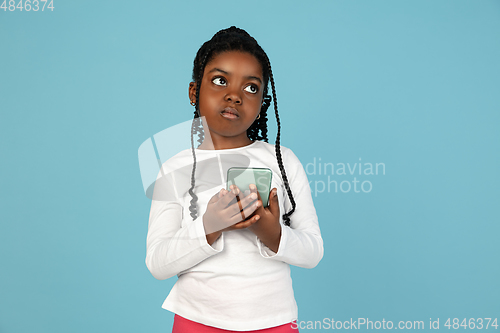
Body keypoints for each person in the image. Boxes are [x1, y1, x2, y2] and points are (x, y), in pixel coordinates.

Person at [145, 26, 323, 332]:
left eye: (251, 88)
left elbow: (313, 252)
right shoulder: (173, 168)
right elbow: (157, 264)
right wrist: (208, 227)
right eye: (219, 80)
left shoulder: (283, 161)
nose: (234, 95)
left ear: (263, 102)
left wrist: (273, 234)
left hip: (275, 320)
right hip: (196, 319)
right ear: (193, 92)